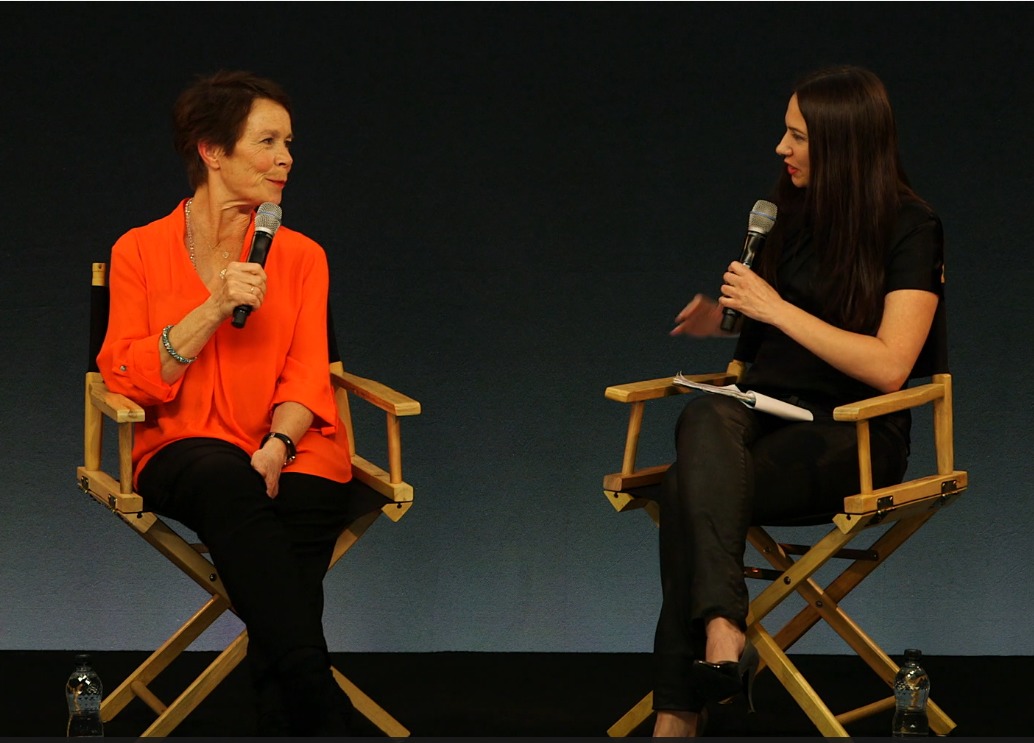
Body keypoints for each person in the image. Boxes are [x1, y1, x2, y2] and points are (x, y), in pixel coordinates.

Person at [652, 65, 944, 737]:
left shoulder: (911, 225)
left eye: (796, 137)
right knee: (704, 412)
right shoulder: (785, 213)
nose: (780, 150)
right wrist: (722, 321)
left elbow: (891, 365)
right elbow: (765, 334)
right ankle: (724, 629)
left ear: (842, 144)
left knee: (682, 493)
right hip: (762, 417)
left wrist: (775, 309)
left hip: (856, 437)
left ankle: (676, 713)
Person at [97, 70, 387, 736]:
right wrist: (214, 307)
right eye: (269, 141)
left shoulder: (303, 256)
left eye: (289, 142)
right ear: (211, 150)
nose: (287, 159)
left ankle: (293, 713)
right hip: (182, 444)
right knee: (229, 485)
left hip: (287, 442)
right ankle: (322, 700)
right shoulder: (137, 251)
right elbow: (125, 375)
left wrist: (279, 445)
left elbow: (308, 374)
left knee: (309, 495)